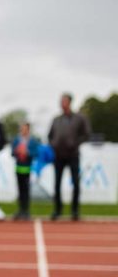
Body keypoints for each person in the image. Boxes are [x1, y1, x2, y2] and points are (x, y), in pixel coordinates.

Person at [48, 93, 90, 221]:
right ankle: (57, 210)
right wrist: (53, 145)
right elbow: (50, 136)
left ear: (70, 102)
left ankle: (75, 210)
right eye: (61, 101)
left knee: (76, 183)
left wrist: (75, 143)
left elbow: (87, 134)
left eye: (64, 101)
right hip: (58, 156)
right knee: (57, 184)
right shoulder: (56, 119)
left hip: (73, 155)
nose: (62, 103)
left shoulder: (79, 118)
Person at [11, 123, 40, 220]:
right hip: (18, 168)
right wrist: (17, 152)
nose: (23, 131)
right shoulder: (17, 140)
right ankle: (20, 210)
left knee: (26, 190)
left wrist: (27, 153)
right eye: (22, 129)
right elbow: (12, 153)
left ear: (28, 130)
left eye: (25, 129)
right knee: (20, 190)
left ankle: (26, 211)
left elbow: (36, 153)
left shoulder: (32, 141)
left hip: (27, 169)